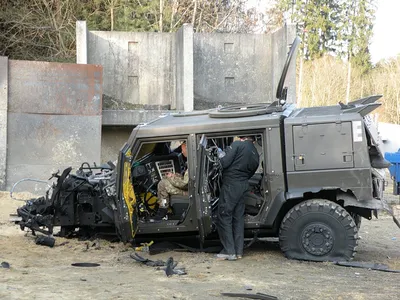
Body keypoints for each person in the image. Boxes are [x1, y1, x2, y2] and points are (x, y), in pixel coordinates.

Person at [216, 136, 260, 260]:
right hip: (243, 185)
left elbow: (224, 163)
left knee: (224, 215)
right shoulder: (255, 153)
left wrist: (220, 154)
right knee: (238, 218)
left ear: (241, 137)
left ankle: (229, 251)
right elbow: (251, 171)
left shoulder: (237, 145)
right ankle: (238, 251)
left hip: (231, 185)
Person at [151, 141, 189, 222]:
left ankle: (163, 210)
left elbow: (184, 184)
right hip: (191, 189)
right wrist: (175, 176)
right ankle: (164, 207)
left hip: (189, 192)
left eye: (183, 149)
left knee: (163, 184)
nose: (181, 152)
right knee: (164, 182)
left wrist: (170, 178)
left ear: (187, 147)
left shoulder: (192, 162)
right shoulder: (194, 159)